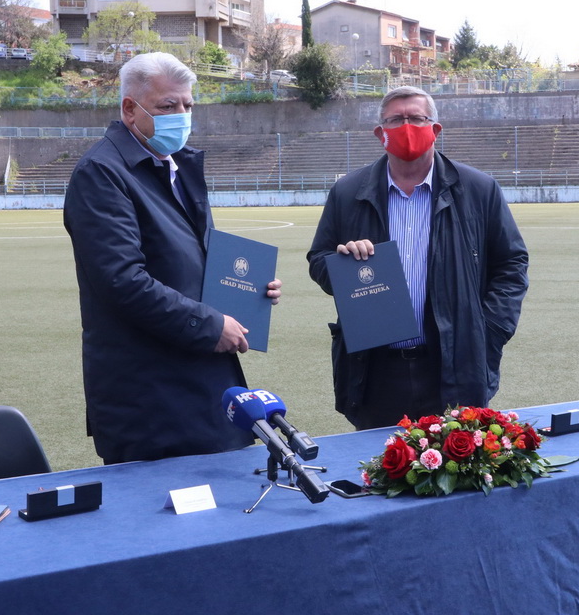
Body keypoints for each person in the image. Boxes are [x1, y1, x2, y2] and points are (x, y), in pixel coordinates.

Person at [64, 52, 281, 463]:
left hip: (207, 384)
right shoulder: (101, 172)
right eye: (168, 106)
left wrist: (249, 291)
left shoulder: (178, 166)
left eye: (187, 105)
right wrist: (210, 324)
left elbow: (194, 261)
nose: (181, 116)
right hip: (151, 399)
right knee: (168, 501)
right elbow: (122, 281)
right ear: (130, 109)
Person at [307, 86, 529, 430]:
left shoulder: (478, 189)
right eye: (395, 120)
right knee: (379, 460)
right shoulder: (348, 192)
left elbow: (511, 264)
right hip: (375, 368)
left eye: (417, 118)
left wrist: (488, 332)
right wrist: (343, 262)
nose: (406, 127)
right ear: (380, 133)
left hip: (453, 363)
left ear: (435, 129)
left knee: (456, 459)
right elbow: (318, 258)